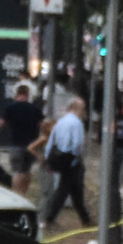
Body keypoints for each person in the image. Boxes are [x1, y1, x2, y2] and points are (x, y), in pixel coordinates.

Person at [41, 95, 89, 230]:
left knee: (75, 190)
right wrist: (76, 158)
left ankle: (85, 218)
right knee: (64, 190)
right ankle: (49, 218)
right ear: (77, 109)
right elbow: (78, 144)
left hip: (60, 158)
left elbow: (51, 142)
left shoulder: (60, 122)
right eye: (83, 109)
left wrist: (48, 159)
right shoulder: (77, 123)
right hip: (71, 160)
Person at [0, 82, 43, 195]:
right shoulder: (35, 109)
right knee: (26, 171)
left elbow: (1, 123)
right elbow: (42, 125)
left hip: (15, 144)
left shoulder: (10, 107)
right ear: (28, 94)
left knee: (16, 171)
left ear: (17, 94)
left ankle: (16, 195)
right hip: (31, 146)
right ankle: (23, 194)